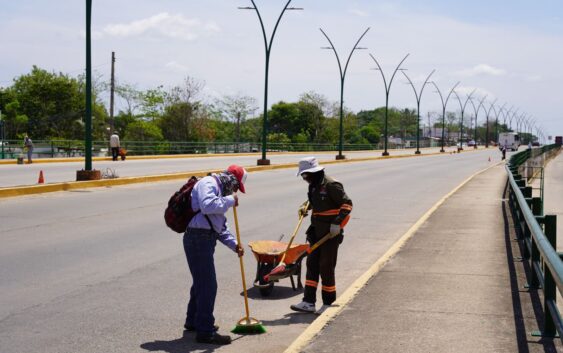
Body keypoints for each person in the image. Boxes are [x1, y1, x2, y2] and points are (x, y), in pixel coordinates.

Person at [183, 164, 247, 345]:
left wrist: (234, 245)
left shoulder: (220, 189)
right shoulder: (209, 183)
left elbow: (219, 227)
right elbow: (207, 206)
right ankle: (205, 331)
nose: (235, 191)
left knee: (201, 282)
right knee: (208, 285)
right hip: (197, 239)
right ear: (232, 179)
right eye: (236, 187)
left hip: (205, 238)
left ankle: (194, 321)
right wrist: (230, 200)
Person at [291, 157, 353, 315]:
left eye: (306, 175)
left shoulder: (332, 185)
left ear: (316, 172)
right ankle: (308, 302)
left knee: (326, 267)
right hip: (316, 232)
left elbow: (347, 205)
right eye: (304, 176)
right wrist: (305, 207)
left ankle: (328, 302)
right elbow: (314, 201)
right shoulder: (313, 185)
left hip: (330, 234)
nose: (305, 179)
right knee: (312, 265)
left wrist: (337, 223)